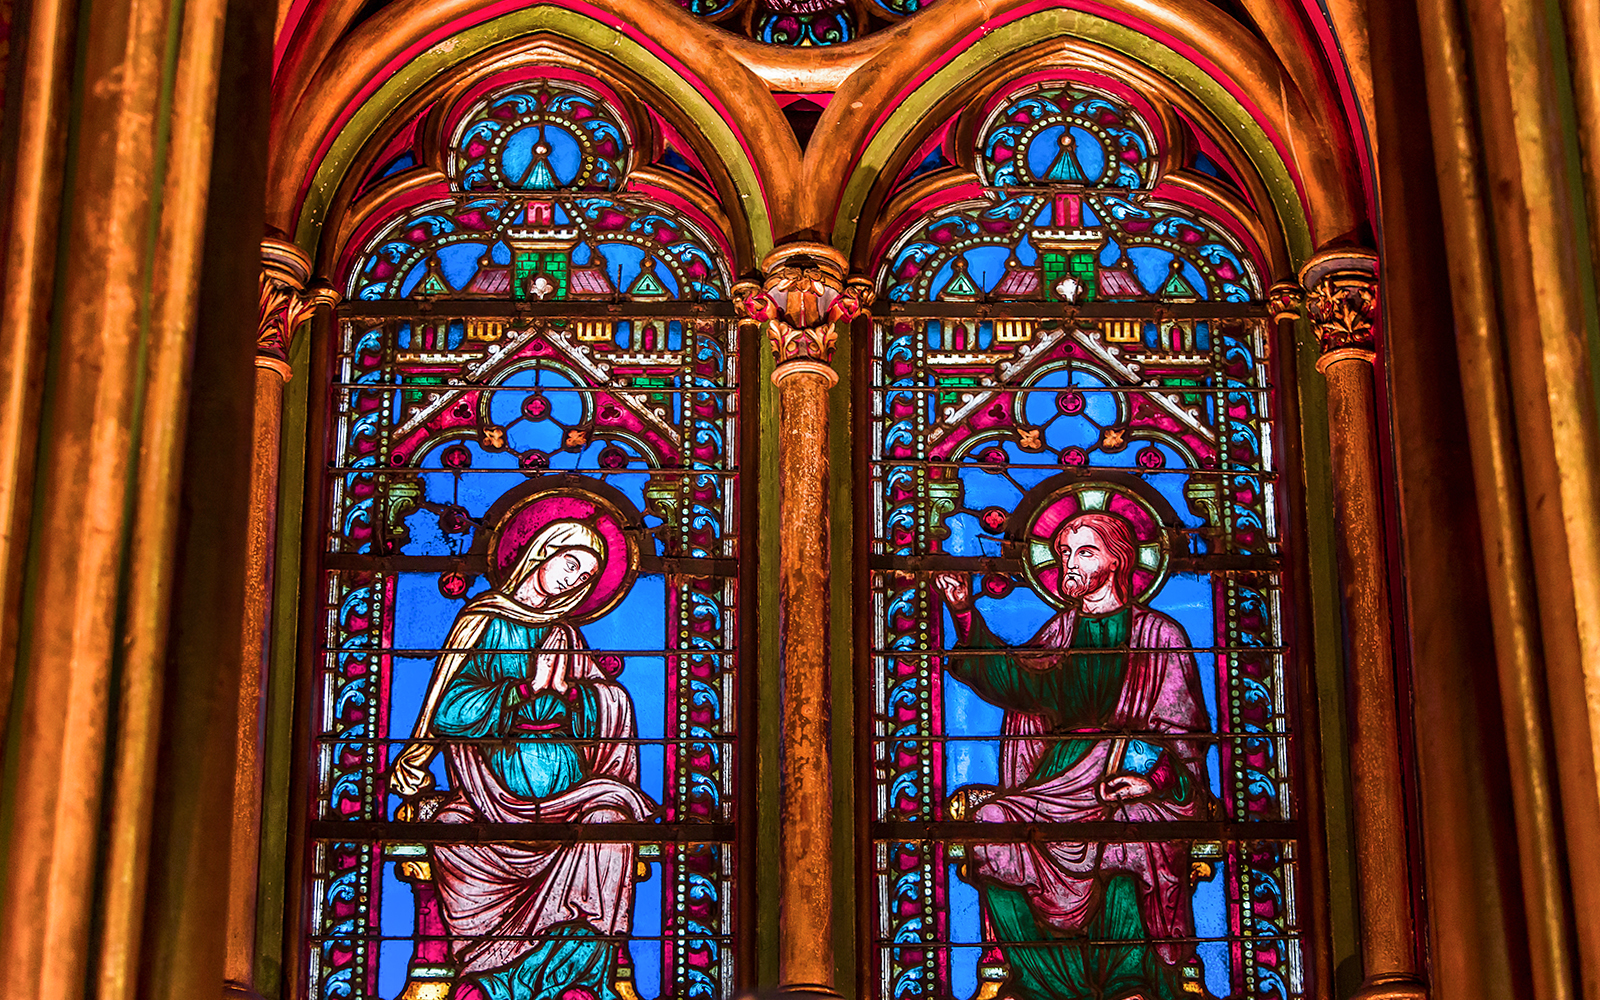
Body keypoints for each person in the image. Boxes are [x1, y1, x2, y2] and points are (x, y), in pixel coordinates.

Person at [932, 511, 1211, 1000]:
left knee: (1131, 834)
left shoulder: (1160, 635)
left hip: (1127, 778)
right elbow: (1014, 682)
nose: (1071, 563)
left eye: (1085, 551)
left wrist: (1151, 779)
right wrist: (963, 613)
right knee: (993, 824)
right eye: (1064, 553)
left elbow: (1183, 735)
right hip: (1057, 780)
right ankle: (1040, 984)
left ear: (1118, 559)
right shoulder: (1059, 631)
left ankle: (1130, 984)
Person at [390, 519, 656, 1000]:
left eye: (584, 579)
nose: (572, 581)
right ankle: (487, 981)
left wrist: (582, 699)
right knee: (455, 834)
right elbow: (446, 709)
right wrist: (520, 690)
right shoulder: (483, 623)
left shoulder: (567, 637)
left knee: (609, 824)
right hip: (486, 795)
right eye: (570, 564)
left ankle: (576, 982)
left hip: (571, 795)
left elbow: (608, 701)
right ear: (540, 553)